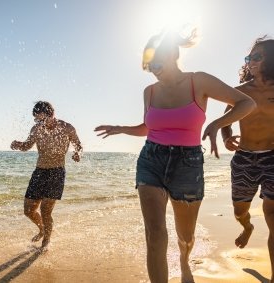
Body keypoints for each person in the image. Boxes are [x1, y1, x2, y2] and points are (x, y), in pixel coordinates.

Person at [95, 29, 256, 283]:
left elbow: (246, 103)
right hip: (151, 161)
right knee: (155, 234)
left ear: (171, 54)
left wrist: (216, 124)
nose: (153, 70)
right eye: (148, 66)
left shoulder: (198, 81)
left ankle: (184, 261)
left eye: (157, 63)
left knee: (185, 236)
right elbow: (150, 127)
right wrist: (122, 129)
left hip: (188, 165)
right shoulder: (149, 92)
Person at [221, 36, 274, 283]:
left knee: (272, 216)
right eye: (248, 58)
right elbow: (226, 118)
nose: (250, 62)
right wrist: (227, 135)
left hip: (272, 159)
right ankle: (247, 227)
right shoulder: (240, 91)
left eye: (256, 57)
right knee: (239, 210)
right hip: (243, 159)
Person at [11, 101, 82, 250]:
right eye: (36, 120)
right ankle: (42, 229)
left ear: (51, 115)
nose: (39, 122)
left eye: (41, 119)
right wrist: (18, 145)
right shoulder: (36, 129)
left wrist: (77, 154)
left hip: (56, 172)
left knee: (45, 211)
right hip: (39, 172)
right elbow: (26, 146)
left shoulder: (67, 128)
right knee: (28, 210)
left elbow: (79, 146)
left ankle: (46, 242)